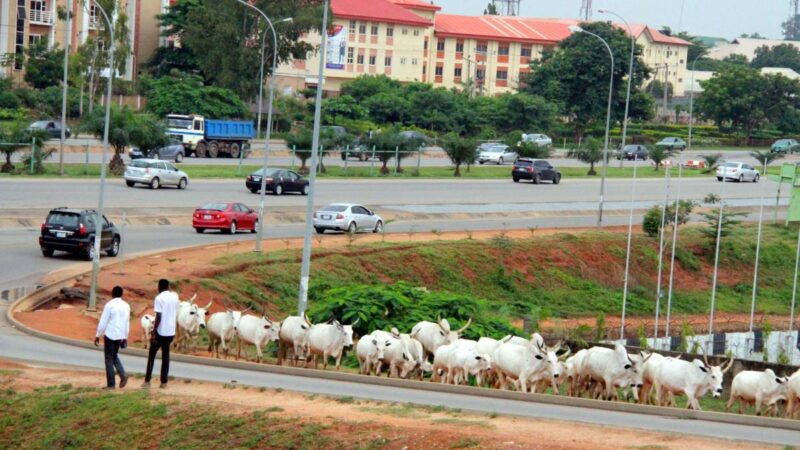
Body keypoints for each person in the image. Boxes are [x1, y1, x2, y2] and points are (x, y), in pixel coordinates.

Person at [142, 279, 179, 389]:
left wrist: (154, 331)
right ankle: (164, 382)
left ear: (159, 287)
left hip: (161, 332)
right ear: (168, 286)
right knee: (166, 356)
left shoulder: (159, 298)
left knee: (151, 356)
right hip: (171, 332)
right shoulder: (174, 298)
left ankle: (147, 381)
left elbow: (158, 316)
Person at [94, 285, 130, 389]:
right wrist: (125, 337)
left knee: (109, 358)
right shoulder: (126, 306)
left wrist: (97, 335)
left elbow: (103, 321)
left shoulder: (109, 305)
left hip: (110, 334)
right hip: (120, 335)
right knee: (114, 356)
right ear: (121, 294)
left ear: (112, 294)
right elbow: (127, 323)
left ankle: (111, 384)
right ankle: (123, 375)